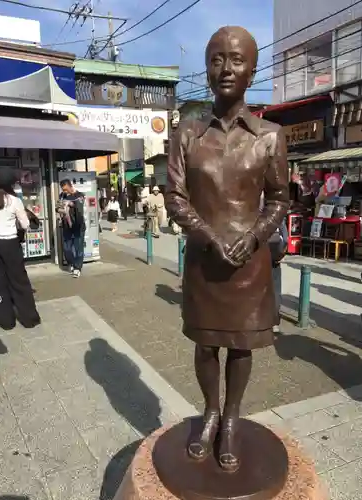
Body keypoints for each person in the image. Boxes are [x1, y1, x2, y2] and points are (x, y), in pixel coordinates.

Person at [165, 26, 289, 472]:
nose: (226, 68)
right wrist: (209, 236)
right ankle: (210, 412)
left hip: (249, 264)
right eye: (217, 58)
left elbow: (279, 198)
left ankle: (231, 419)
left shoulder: (270, 136)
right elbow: (175, 198)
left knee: (239, 347)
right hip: (204, 258)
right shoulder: (187, 134)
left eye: (236, 59)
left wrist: (254, 236)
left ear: (252, 71)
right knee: (204, 345)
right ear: (207, 67)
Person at [0, 169, 41, 330]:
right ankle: (29, 319)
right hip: (10, 244)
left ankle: (6, 321)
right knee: (19, 282)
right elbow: (25, 224)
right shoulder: (14, 201)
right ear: (11, 183)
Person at [57, 179, 85, 278]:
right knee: (67, 248)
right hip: (66, 225)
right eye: (63, 190)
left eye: (66, 189)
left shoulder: (79, 195)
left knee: (78, 248)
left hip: (78, 225)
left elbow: (79, 208)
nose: (64, 191)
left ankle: (77, 268)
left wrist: (71, 204)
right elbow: (58, 207)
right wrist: (60, 206)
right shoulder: (62, 196)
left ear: (70, 186)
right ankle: (72, 263)